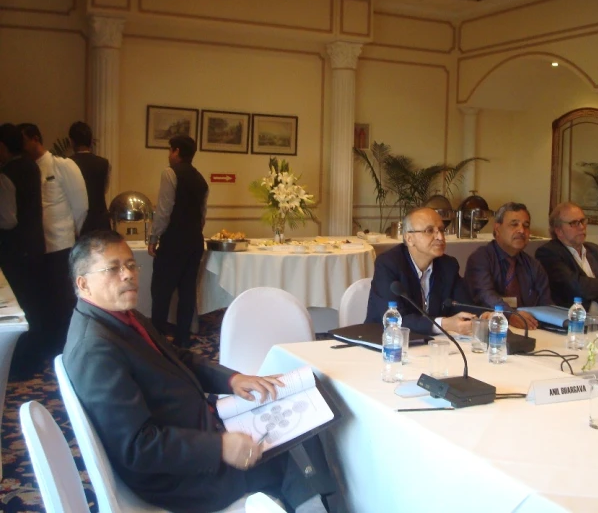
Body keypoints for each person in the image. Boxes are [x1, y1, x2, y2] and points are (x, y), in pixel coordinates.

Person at [64, 231, 341, 512]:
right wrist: (219, 447)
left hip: (196, 428)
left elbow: (178, 358)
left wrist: (233, 379)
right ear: (83, 283)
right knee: (287, 451)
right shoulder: (94, 349)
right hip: (178, 478)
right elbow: (138, 447)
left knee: (297, 417)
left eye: (131, 265)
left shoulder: (122, 318)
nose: (128, 275)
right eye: (113, 268)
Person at [19, 122, 87, 355]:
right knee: (42, 300)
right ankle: (47, 347)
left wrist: (72, 232)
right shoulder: (23, 168)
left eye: (23, 140)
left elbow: (80, 205)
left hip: (60, 243)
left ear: (35, 138)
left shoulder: (61, 165)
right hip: (35, 246)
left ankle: (65, 348)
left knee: (62, 300)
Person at [365, 207, 479, 335]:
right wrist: (444, 324)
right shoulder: (388, 264)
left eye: (441, 230)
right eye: (429, 231)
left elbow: (464, 305)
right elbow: (395, 319)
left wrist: (482, 316)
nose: (440, 237)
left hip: (431, 345)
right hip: (386, 343)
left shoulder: (448, 265)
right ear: (409, 239)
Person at [148, 135, 208, 348]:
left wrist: (153, 237)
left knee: (161, 291)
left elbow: (164, 210)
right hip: (194, 241)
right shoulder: (201, 179)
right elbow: (202, 215)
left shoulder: (170, 173)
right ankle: (183, 338)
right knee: (187, 292)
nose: (169, 155)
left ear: (176, 152)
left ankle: (157, 337)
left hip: (173, 240)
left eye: (170, 150)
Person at [0, 123, 46, 378]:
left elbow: (8, 219)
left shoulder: (7, 173)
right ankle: (33, 361)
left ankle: (19, 365)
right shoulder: (31, 166)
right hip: (35, 244)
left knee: (20, 307)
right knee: (34, 303)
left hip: (16, 250)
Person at [464, 202, 552, 330]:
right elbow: (485, 295)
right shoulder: (481, 258)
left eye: (526, 226)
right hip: (489, 331)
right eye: (514, 224)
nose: (521, 230)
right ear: (497, 229)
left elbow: (546, 306)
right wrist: (510, 314)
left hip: (530, 330)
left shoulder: (534, 266)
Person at [536, 201, 598, 314]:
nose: (581, 227)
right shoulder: (549, 253)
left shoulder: (595, 251)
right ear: (559, 231)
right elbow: (578, 290)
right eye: (574, 223)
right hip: (577, 323)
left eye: (582, 221)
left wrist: (591, 293)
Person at [69, 121, 111, 233]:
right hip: (100, 219)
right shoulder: (104, 163)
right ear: (91, 140)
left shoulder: (68, 163)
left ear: (71, 141)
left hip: (77, 221)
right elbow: (105, 188)